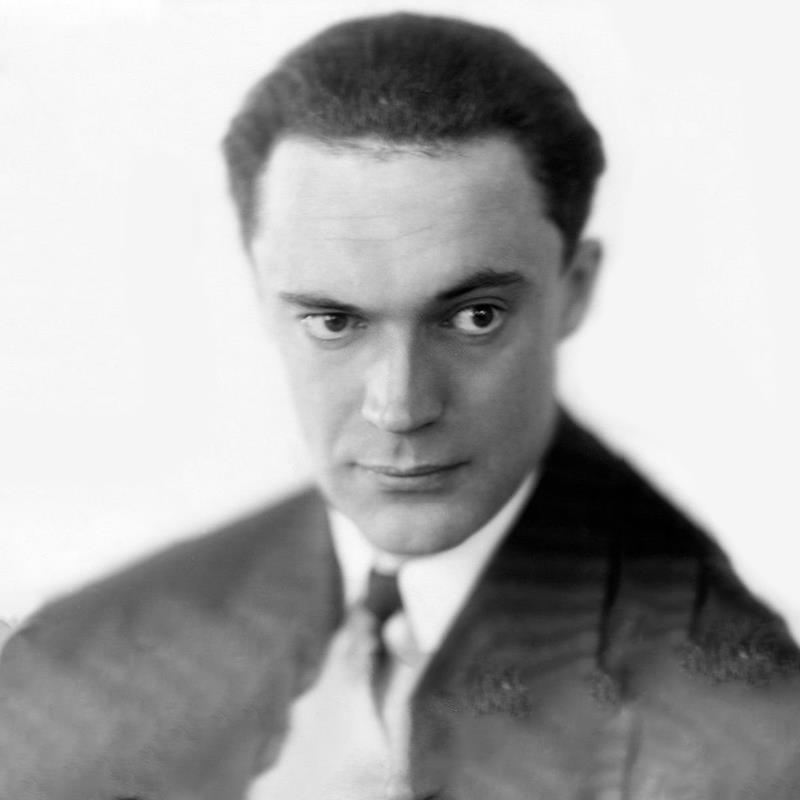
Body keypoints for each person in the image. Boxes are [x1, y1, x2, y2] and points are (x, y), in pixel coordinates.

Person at [1, 12, 799, 800]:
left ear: (575, 289)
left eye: (474, 317)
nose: (400, 407)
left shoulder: (747, 747)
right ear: (261, 295)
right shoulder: (68, 662)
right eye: (333, 322)